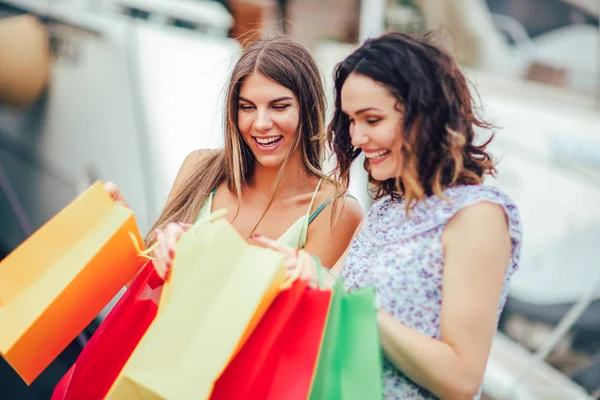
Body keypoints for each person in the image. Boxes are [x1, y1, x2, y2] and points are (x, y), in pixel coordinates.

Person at [254, 31, 522, 400]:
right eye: (350, 120)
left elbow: (461, 380)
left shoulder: (477, 216)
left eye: (372, 119)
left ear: (425, 114)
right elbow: (324, 295)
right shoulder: (384, 210)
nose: (358, 137)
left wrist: (347, 302)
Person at [105, 35, 362, 277]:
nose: (260, 123)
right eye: (247, 107)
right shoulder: (200, 168)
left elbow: (293, 318)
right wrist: (122, 230)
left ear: (308, 109)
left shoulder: (335, 210)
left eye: (279, 106)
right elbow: (148, 293)